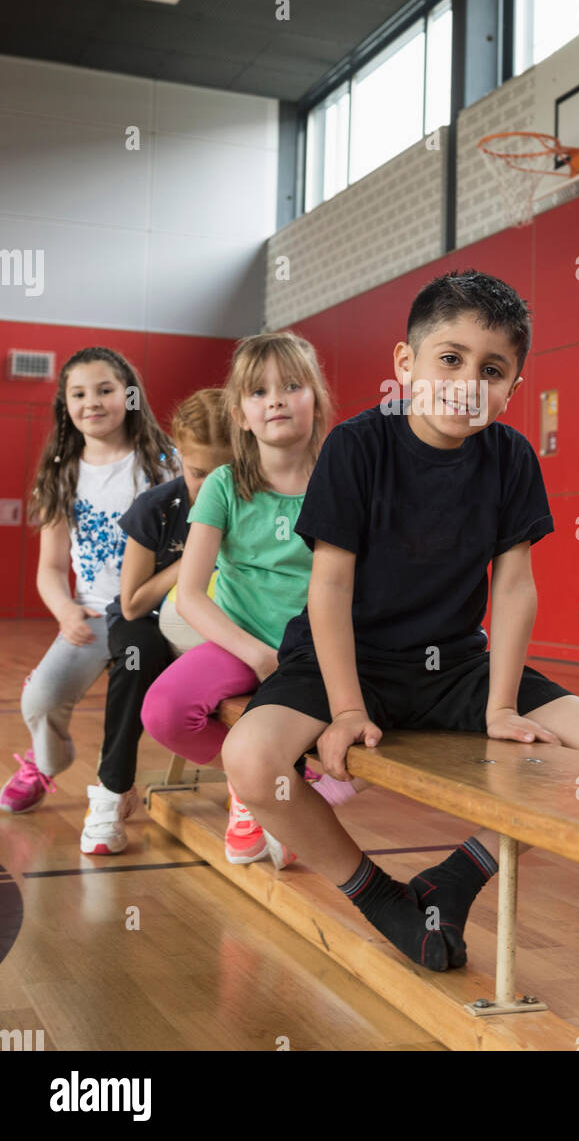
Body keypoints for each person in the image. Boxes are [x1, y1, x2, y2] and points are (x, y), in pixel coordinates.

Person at [222, 268, 579, 973]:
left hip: (451, 666)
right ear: (405, 363)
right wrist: (345, 706)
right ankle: (377, 895)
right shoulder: (357, 446)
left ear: (513, 390)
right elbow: (330, 584)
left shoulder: (509, 459)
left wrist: (501, 703)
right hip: (347, 659)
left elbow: (512, 589)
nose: (468, 381)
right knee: (252, 761)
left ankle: (455, 878)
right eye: (450, 358)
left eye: (492, 369)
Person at [141, 332, 363, 870]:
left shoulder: (346, 479)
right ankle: (253, 783)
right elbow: (190, 594)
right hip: (241, 643)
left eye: (292, 386)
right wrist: (257, 655)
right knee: (165, 711)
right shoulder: (224, 485)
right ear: (240, 412)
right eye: (259, 392)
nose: (277, 400)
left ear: (318, 398)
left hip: (318, 650)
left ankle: (282, 791)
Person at [1, 347, 178, 815]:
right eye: (78, 394)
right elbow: (51, 568)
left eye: (105, 390)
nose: (92, 402)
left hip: (151, 613)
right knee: (41, 698)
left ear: (130, 397)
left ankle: (114, 783)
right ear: (65, 404)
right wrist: (64, 610)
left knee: (138, 683)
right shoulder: (61, 475)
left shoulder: (163, 465)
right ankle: (45, 762)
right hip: (93, 614)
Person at [80, 388, 233, 854]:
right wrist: (193, 559)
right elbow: (130, 603)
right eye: (197, 472)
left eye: (222, 473)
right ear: (179, 456)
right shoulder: (156, 507)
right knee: (134, 657)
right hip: (146, 620)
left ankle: (258, 785)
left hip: (214, 622)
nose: (209, 487)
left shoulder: (253, 503)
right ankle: (113, 789)